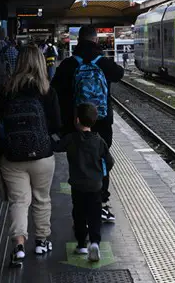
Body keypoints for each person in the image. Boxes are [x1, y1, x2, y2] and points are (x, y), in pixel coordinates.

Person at [0, 45, 61, 268]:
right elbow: (57, 124)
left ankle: (19, 245)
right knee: (42, 199)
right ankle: (41, 241)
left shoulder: (7, 90)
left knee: (19, 201)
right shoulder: (47, 90)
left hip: (12, 157)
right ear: (41, 62)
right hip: (42, 154)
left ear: (18, 62)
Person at [52, 25, 124, 223]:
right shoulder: (102, 62)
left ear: (78, 40)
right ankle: (100, 202)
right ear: (95, 40)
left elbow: (54, 90)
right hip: (100, 122)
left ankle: (81, 204)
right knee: (101, 162)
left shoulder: (69, 64)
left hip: (74, 123)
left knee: (77, 163)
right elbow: (120, 73)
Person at [61, 103, 114, 262]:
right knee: (94, 214)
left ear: (76, 120)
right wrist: (101, 173)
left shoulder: (71, 139)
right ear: (94, 120)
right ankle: (95, 242)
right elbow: (109, 162)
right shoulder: (99, 141)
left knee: (79, 213)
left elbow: (56, 146)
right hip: (95, 185)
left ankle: (82, 244)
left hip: (77, 185)